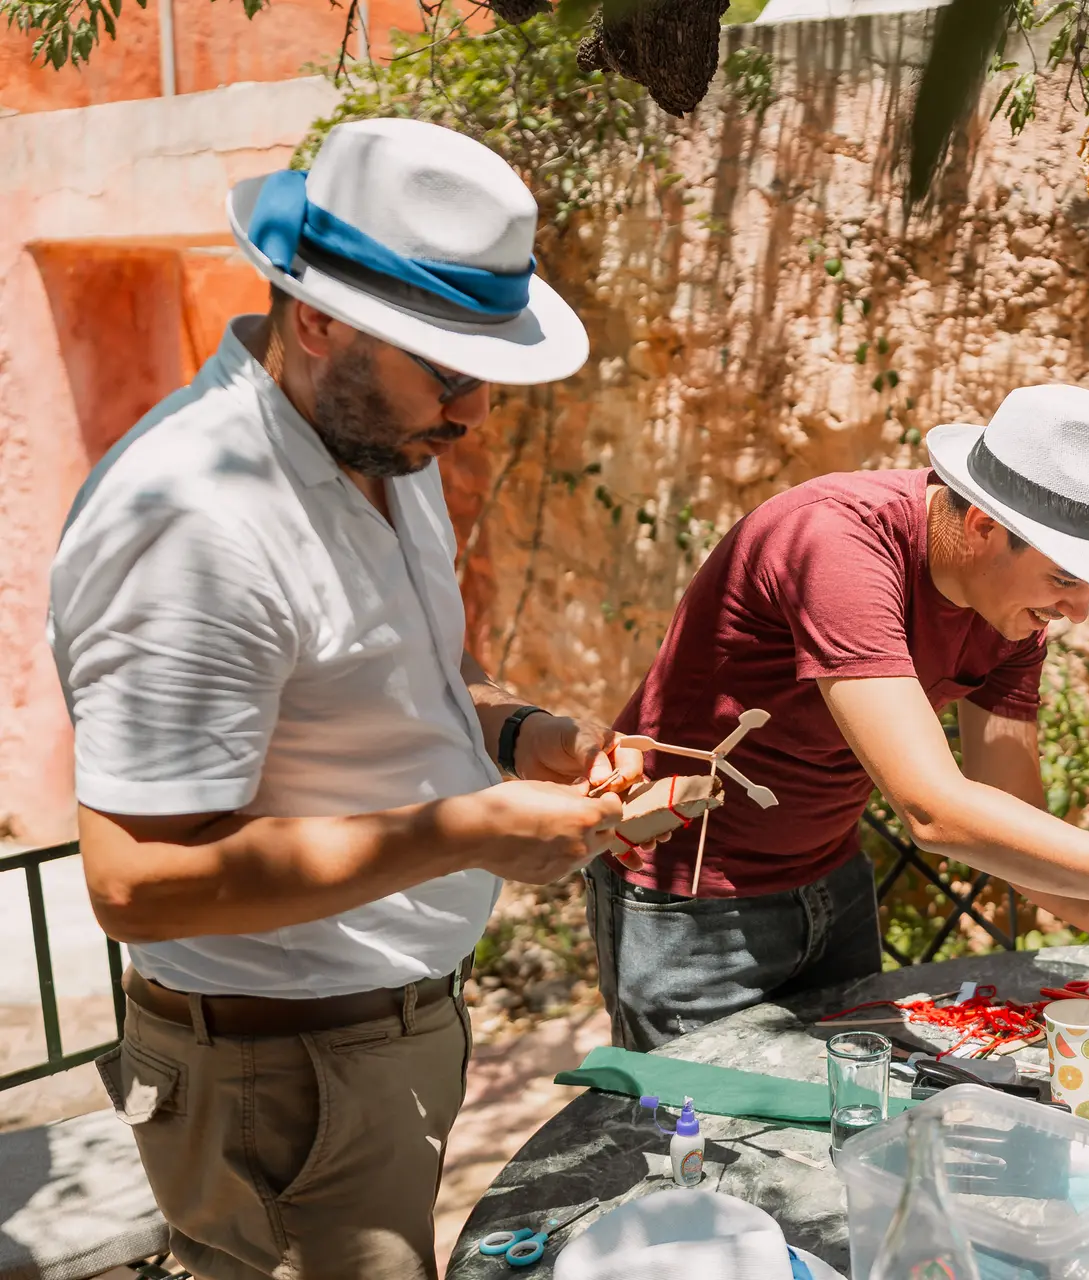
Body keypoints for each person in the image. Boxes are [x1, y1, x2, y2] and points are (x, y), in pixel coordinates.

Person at [47, 119, 630, 1280]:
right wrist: (463, 830)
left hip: (376, 1037)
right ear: (317, 319)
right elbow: (133, 882)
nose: (473, 416)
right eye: (452, 375)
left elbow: (403, 678)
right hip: (285, 1080)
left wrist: (525, 735)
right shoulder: (196, 524)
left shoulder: (376, 442)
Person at [586, 384, 1089, 1048]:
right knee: (693, 1148)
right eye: (1064, 578)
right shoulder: (837, 542)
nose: (1078, 612)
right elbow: (934, 809)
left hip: (831, 882)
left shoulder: (1013, 614)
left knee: (839, 1132)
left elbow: (1006, 808)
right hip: (690, 904)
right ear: (980, 526)